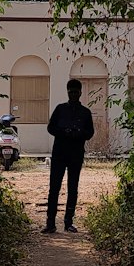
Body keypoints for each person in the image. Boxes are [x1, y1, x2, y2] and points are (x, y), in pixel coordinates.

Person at [43, 78, 95, 233]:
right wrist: (64, 131)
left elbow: (90, 132)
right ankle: (50, 223)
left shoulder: (85, 112)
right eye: (71, 92)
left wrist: (78, 133)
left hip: (76, 154)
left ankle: (68, 222)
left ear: (80, 93)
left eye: (76, 92)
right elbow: (50, 128)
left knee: (73, 187)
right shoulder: (60, 109)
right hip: (59, 153)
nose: (73, 94)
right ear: (68, 92)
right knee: (54, 188)